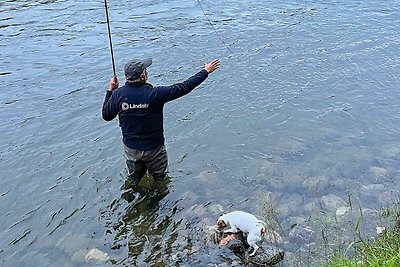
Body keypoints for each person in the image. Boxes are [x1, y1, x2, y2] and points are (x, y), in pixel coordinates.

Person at [102, 58, 220, 188]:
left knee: (133, 179)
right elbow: (184, 87)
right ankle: (156, 201)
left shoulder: (118, 95)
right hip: (154, 150)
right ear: (142, 76)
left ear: (126, 76)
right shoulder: (155, 94)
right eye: (146, 71)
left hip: (131, 150)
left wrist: (110, 91)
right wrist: (205, 71)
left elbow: (107, 116)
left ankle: (133, 198)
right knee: (160, 180)